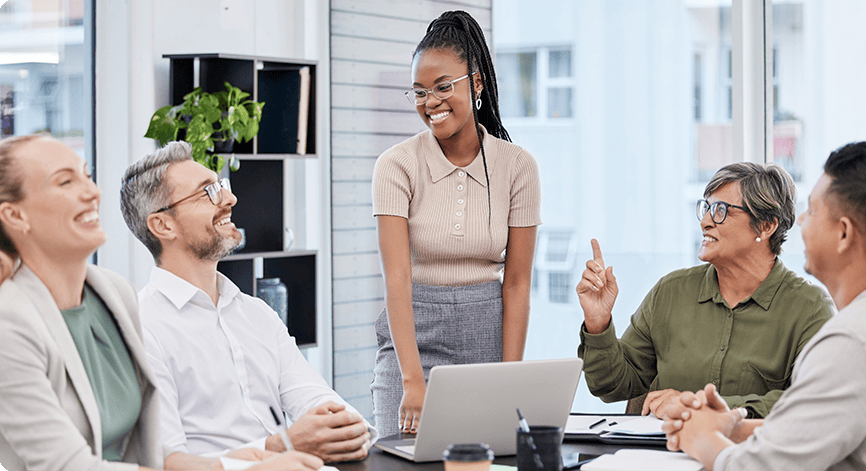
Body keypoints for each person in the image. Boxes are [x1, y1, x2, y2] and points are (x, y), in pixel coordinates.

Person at [0, 134, 323, 471]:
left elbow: (150, 451)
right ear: (15, 216)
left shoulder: (112, 294)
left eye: (86, 176)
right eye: (65, 181)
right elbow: (65, 467)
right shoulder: (9, 323)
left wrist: (248, 458)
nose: (92, 192)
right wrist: (236, 468)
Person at [662, 142, 866, 471]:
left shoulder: (851, 345)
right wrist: (733, 427)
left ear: (843, 233)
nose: (800, 221)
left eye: (811, 211)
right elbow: (832, 429)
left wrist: (700, 438)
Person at [120, 141, 376, 463]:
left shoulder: (257, 313)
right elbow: (167, 460)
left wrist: (343, 427)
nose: (230, 199)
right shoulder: (143, 328)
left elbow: (316, 398)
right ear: (163, 225)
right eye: (207, 192)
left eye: (221, 186)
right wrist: (278, 447)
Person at [371, 10, 541, 436]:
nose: (431, 103)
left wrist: (509, 378)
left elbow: (518, 282)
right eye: (419, 92)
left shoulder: (517, 167)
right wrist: (412, 379)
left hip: (488, 334)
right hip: (412, 340)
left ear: (477, 82)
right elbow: (397, 278)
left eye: (443, 87)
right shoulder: (396, 166)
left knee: (486, 460)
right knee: (399, 461)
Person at [577, 162, 834, 419]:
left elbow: (813, 400)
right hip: (658, 454)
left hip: (746, 455)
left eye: (722, 210)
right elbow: (610, 386)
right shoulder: (670, 292)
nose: (706, 222)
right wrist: (598, 323)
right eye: (707, 208)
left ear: (766, 226)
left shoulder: (809, 307)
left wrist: (702, 406)